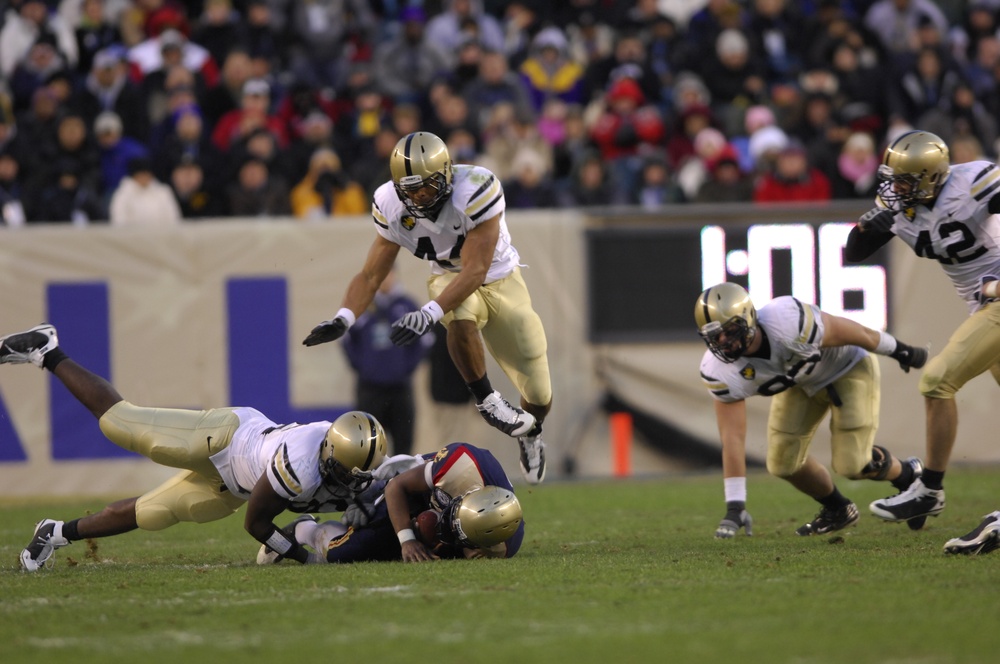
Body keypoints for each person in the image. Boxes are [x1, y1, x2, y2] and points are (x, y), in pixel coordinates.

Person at [0, 323, 388, 571]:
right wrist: (303, 559)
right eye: (342, 473)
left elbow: (394, 482)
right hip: (227, 438)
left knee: (153, 512)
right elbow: (256, 524)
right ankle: (47, 350)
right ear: (328, 453)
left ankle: (53, 532)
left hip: (236, 485)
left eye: (358, 476)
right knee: (123, 425)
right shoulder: (302, 462)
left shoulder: (354, 467)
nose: (349, 484)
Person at [302, 131, 552, 485]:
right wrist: (344, 318)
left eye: (427, 187)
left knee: (539, 394)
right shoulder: (389, 204)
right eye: (411, 189)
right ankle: (488, 401)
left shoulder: (476, 189)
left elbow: (477, 270)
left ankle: (532, 433)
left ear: (448, 174)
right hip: (447, 278)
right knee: (459, 316)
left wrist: (428, 313)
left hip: (500, 278)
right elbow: (371, 274)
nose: (419, 196)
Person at [845, 130, 1000, 555]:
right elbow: (854, 252)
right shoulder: (899, 207)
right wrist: (866, 226)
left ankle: (928, 489)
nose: (895, 189)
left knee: (937, 380)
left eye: (905, 181)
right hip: (982, 307)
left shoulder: (974, 182)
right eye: (891, 180)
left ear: (931, 178)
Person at [695, 282, 928, 539]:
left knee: (852, 464)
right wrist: (735, 506)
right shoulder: (718, 371)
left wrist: (900, 351)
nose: (724, 342)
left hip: (847, 368)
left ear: (749, 318)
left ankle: (908, 474)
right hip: (802, 385)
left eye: (729, 330)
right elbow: (732, 439)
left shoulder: (786, 321)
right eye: (715, 337)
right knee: (783, 463)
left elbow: (854, 332)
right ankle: (838, 509)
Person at [258, 441, 524, 564]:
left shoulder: (499, 545)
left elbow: (466, 552)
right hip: (412, 488)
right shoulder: (460, 465)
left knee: (430, 532)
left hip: (442, 508)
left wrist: (440, 541)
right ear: (466, 496)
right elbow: (399, 485)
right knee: (345, 553)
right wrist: (407, 539)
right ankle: (305, 529)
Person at [342, 267, 433, 456]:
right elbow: (347, 339)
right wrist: (364, 367)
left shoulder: (407, 306)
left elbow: (424, 340)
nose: (385, 280)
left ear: (395, 275)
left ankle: (401, 483)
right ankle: (369, 484)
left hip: (400, 389)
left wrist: (406, 368)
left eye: (388, 274)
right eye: (381, 275)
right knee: (367, 445)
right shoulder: (362, 306)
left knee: (403, 443)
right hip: (370, 389)